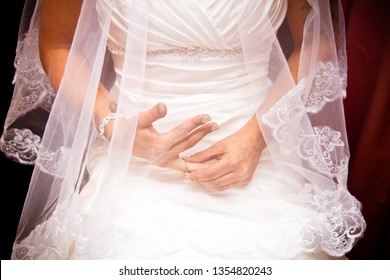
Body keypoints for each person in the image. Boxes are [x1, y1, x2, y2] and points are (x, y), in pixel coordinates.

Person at [1, 0, 366, 260]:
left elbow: (317, 38)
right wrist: (113, 125)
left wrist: (259, 136)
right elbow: (59, 43)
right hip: (133, 162)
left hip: (256, 155)